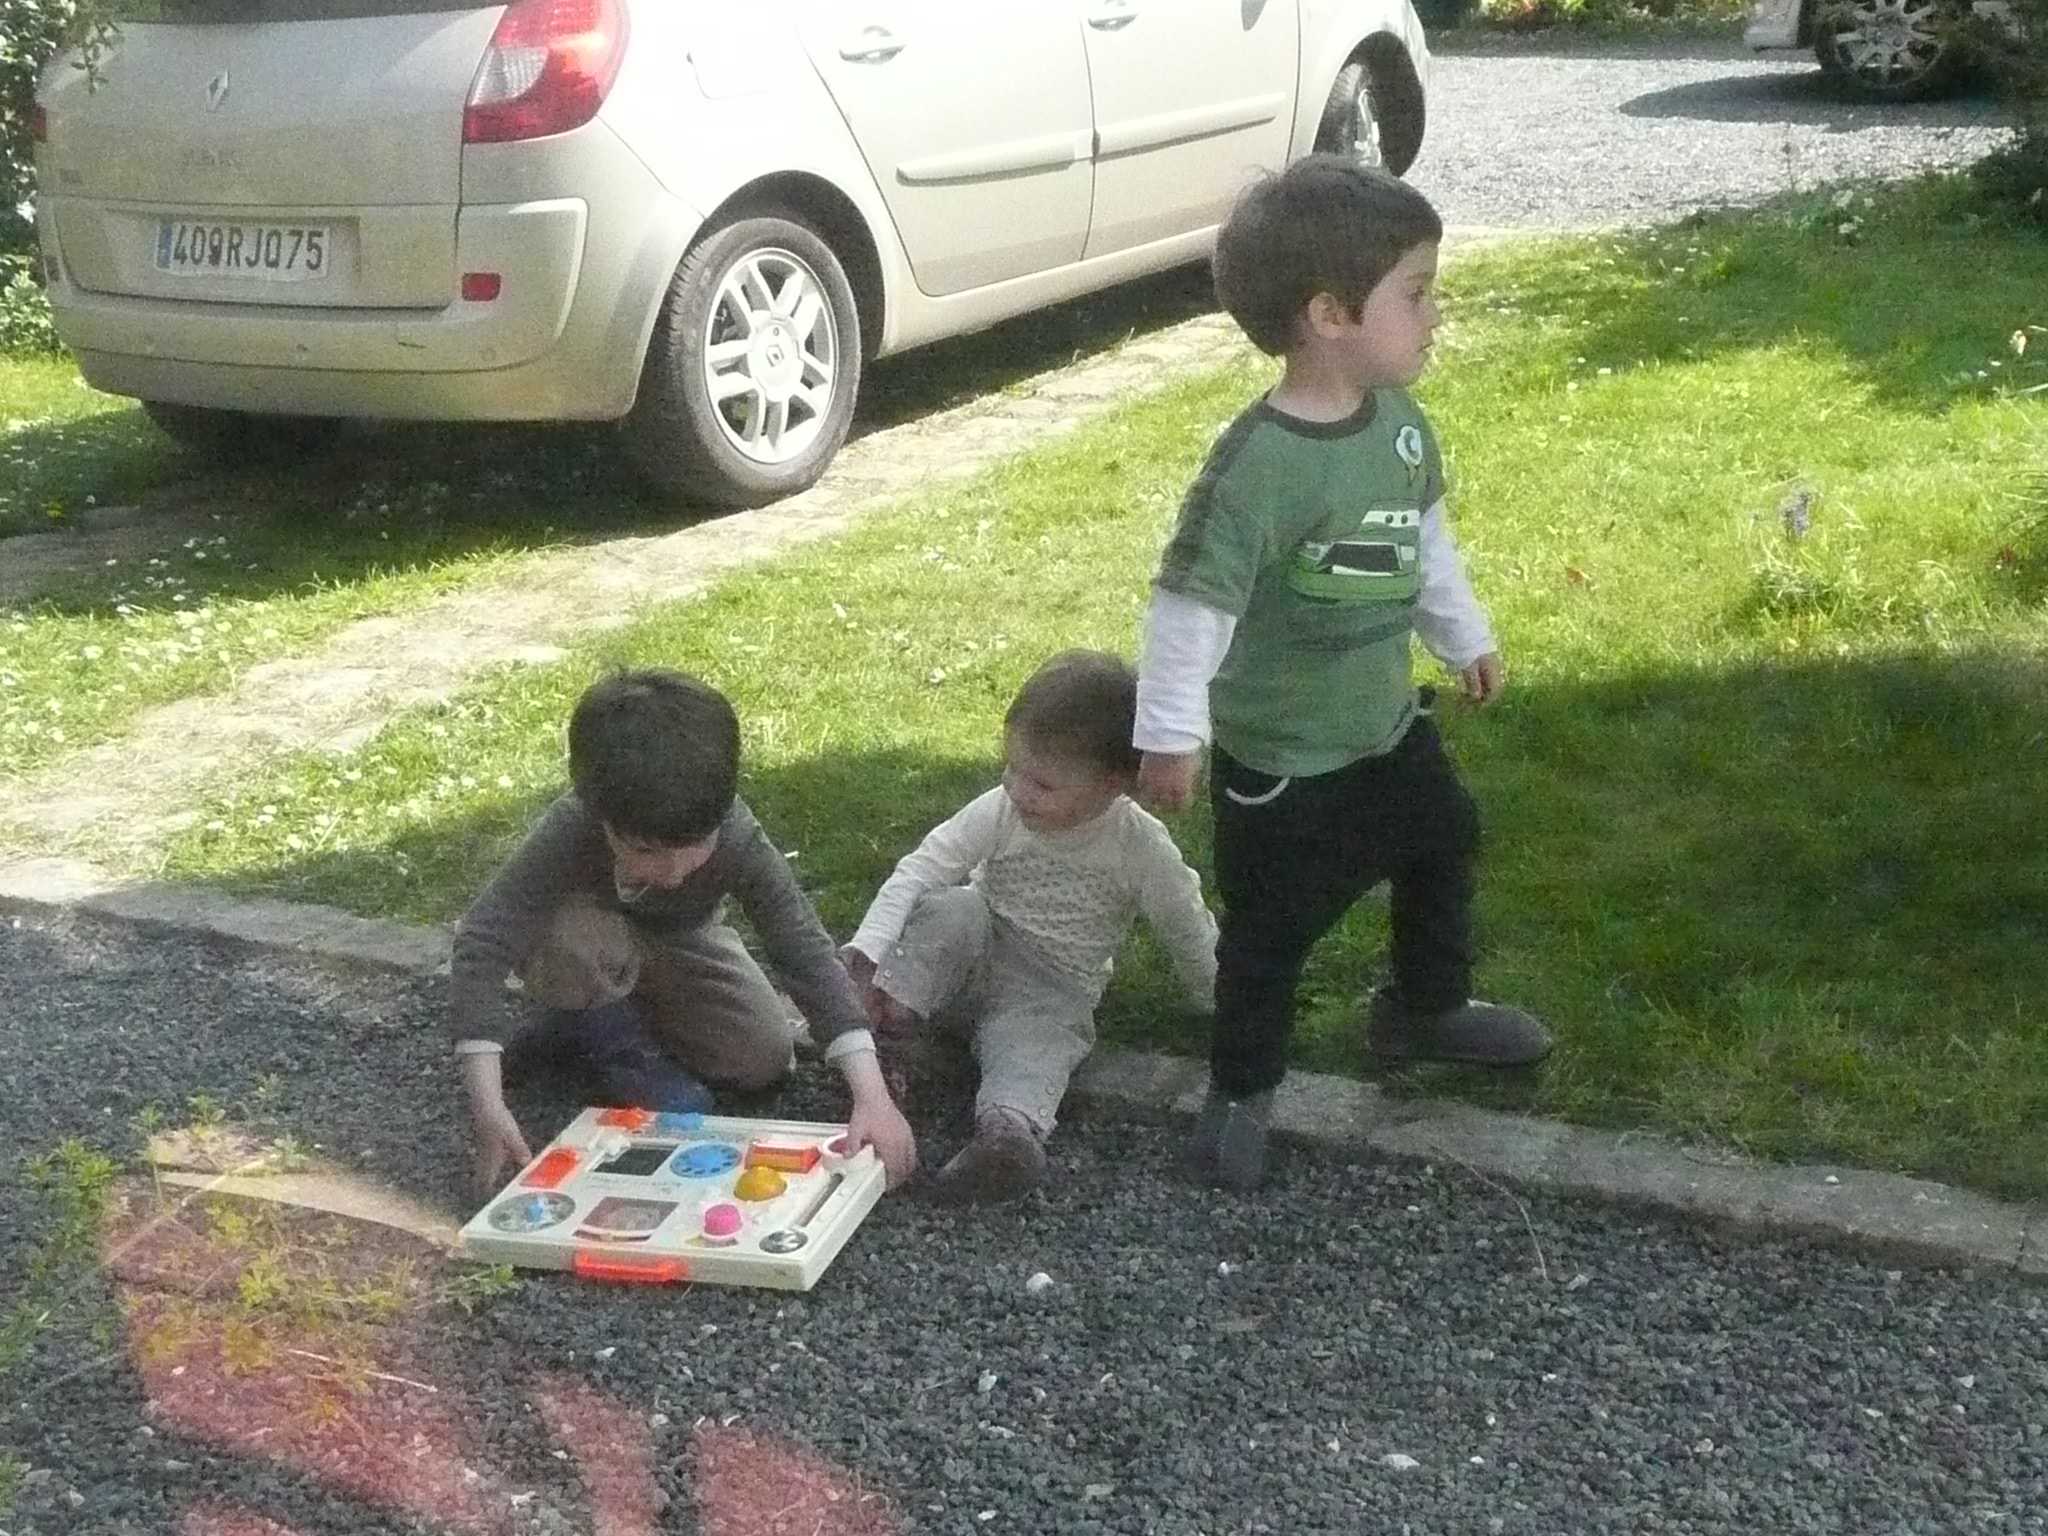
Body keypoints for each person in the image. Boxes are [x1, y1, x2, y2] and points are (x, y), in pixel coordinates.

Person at [1133, 156, 1551, 1194]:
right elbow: (1191, 606)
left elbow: (1423, 545)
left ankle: (1423, 1008)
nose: (1435, 314)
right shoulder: (1258, 468)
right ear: (1328, 314)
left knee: (1444, 837)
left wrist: (1463, 639)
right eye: (1415, 293)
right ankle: (1240, 1092)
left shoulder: (1400, 426)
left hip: (1384, 727)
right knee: (1269, 937)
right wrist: (1170, 735)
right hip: (1281, 762)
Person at [450, 668, 916, 1196]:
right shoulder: (572, 829)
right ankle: (608, 1039)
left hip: (682, 941)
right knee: (574, 940)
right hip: (588, 940)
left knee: (762, 1058)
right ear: (600, 815)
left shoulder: (737, 836)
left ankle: (580, 1028)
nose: (673, 872)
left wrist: (872, 1096)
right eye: (645, 850)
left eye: (695, 846)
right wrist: (487, 1103)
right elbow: (484, 938)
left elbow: (801, 947)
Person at [841, 650, 1217, 1203]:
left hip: (1050, 987)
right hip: (974, 955)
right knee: (954, 911)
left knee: (1039, 1046)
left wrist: (1221, 998)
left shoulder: (1140, 846)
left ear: (1113, 784)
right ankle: (890, 1036)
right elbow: (921, 869)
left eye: (1041, 784)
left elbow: (1184, 922)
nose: (1018, 790)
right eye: (1011, 769)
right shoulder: (1000, 810)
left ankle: (1007, 1135)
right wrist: (869, 950)